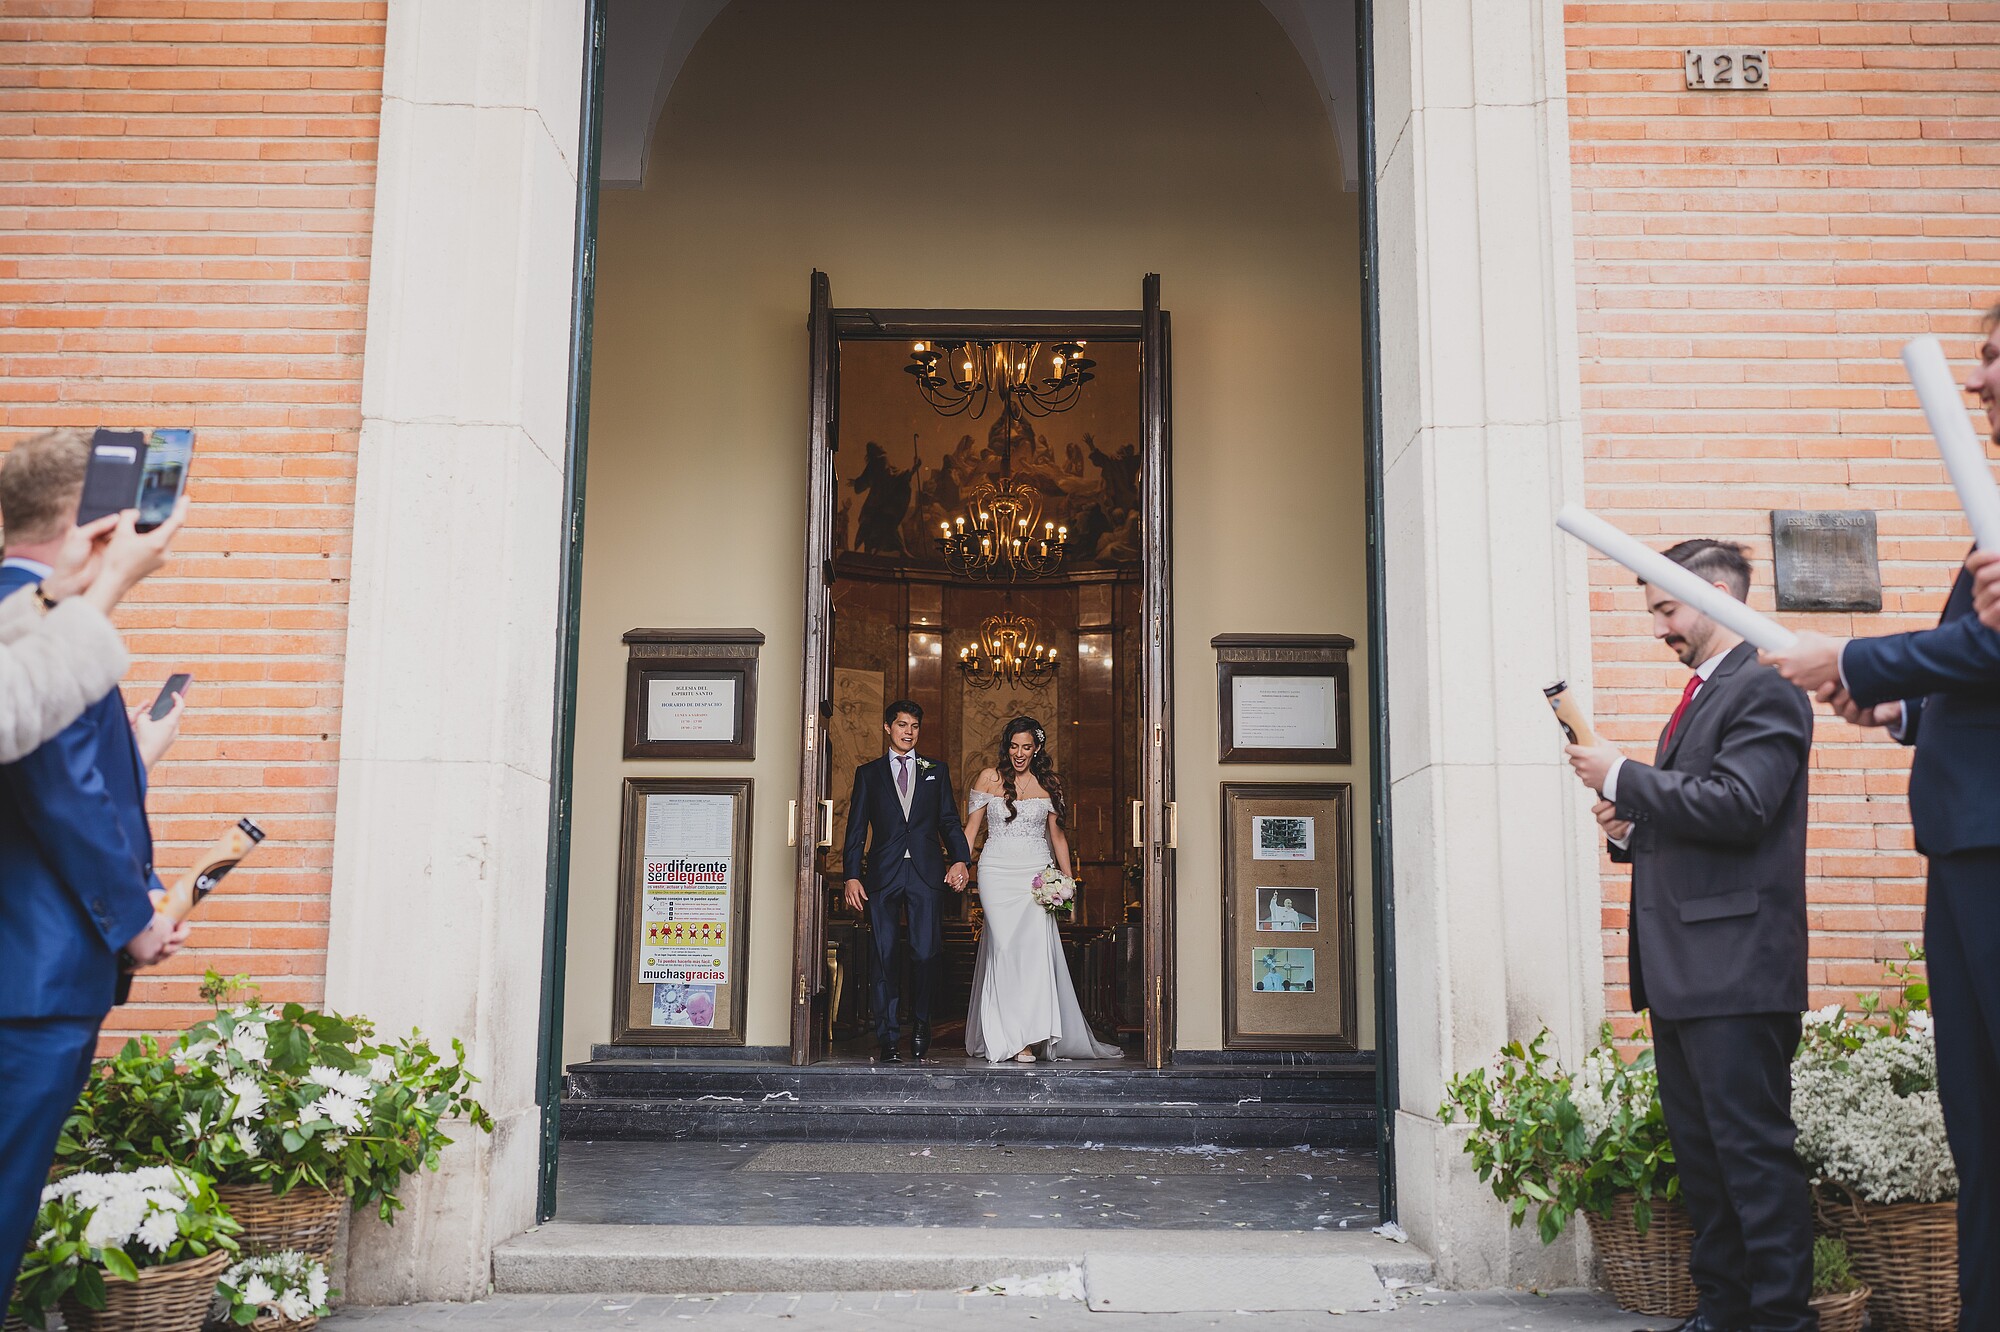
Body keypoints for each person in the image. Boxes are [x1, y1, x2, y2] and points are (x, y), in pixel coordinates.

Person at [1761, 305, 2000, 1329]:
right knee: (1976, 1119)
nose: (1978, 385)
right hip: (1960, 837)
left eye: (1994, 360)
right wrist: (1897, 706)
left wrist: (1854, 659)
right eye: (1979, 362)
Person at [1563, 539, 1815, 1332]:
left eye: (1667, 610)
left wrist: (1622, 775)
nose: (1659, 629)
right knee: (1706, 1164)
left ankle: (1778, 1321)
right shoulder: (1707, 693)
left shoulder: (1765, 687)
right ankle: (1724, 1312)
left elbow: (1743, 805)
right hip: (1687, 974)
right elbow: (1702, 814)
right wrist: (1633, 828)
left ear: (1712, 594)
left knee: (1753, 1160)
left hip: (1736, 972)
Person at [0, 428, 192, 1308]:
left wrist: (139, 757)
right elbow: (64, 795)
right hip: (26, 984)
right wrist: (138, 918)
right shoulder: (37, 631)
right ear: (99, 527)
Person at [962, 717, 1121, 1065]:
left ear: (1037, 749)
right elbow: (971, 829)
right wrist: (961, 863)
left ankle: (1028, 1038)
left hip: (1036, 873)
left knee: (1033, 955)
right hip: (996, 872)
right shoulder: (989, 778)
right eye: (1014, 746)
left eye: (1027, 747)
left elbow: (1058, 836)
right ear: (1007, 747)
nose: (1019, 754)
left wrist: (1068, 881)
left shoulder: (1050, 783)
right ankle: (1006, 1034)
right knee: (1003, 948)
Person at [841, 700, 971, 1063]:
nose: (908, 731)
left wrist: (961, 858)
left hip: (926, 873)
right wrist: (851, 875)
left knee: (926, 954)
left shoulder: (936, 770)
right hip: (882, 875)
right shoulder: (868, 773)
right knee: (883, 956)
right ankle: (887, 1036)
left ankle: (921, 1025)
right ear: (888, 728)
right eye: (901, 725)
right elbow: (855, 830)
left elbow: (948, 820)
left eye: (914, 726)